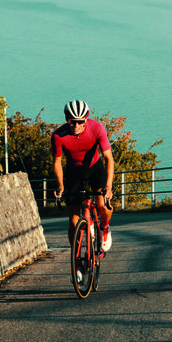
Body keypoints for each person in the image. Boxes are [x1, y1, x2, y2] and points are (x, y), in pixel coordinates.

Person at [52, 99, 114, 253]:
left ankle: (104, 228)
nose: (76, 125)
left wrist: (109, 186)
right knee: (73, 220)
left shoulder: (97, 128)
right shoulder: (58, 136)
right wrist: (60, 185)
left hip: (95, 168)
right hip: (73, 171)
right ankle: (76, 259)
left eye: (80, 122)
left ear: (86, 119)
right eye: (72, 121)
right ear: (67, 119)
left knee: (103, 205)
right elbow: (57, 161)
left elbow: (108, 158)